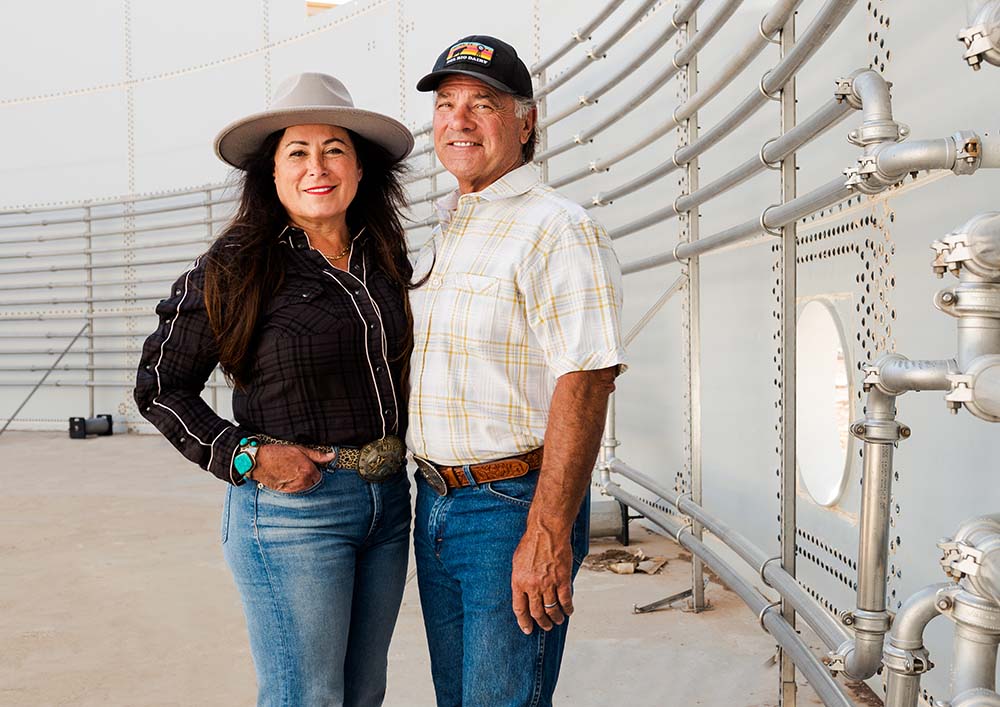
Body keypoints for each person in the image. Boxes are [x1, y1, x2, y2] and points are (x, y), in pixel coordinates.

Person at [133, 72, 415, 707]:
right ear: (272, 172)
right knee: (305, 696)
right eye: (298, 152)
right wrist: (245, 455)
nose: (318, 166)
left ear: (361, 168)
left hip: (388, 503)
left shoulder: (384, 257)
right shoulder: (236, 265)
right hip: (294, 513)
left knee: (364, 692)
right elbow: (159, 385)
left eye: (335, 149)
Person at [407, 35, 627, 707]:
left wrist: (548, 530)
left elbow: (586, 379)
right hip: (436, 500)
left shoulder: (558, 228)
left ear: (526, 121)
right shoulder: (447, 227)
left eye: (483, 104)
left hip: (510, 507)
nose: (459, 121)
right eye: (447, 105)